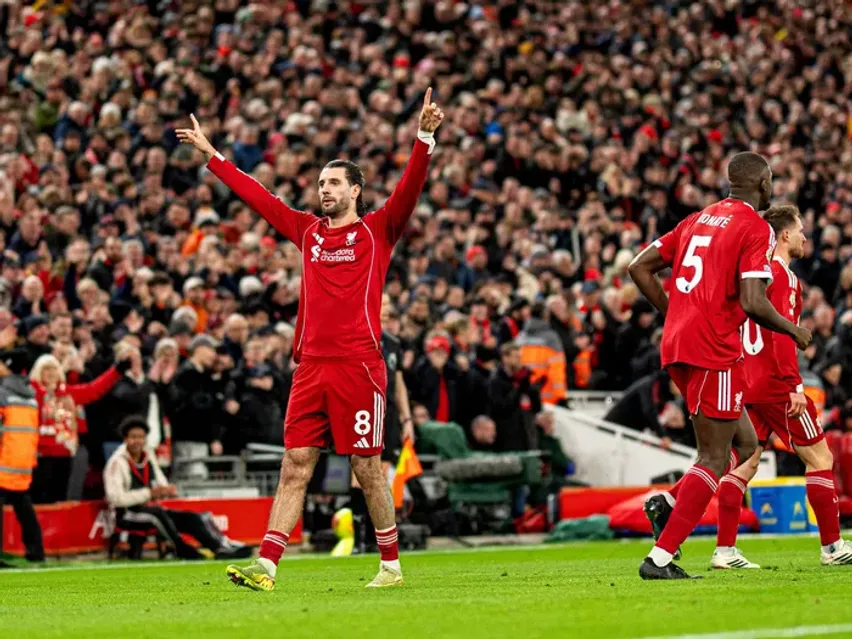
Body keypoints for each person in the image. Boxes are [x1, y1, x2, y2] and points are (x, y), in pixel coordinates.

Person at [177, 89, 444, 590]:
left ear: (355, 190)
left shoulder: (379, 230)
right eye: (321, 183)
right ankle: (267, 565)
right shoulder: (307, 232)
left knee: (367, 467)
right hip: (311, 368)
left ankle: (390, 565)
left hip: (359, 366)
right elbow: (260, 198)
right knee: (294, 464)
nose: (324, 190)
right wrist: (213, 156)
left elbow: (410, 189)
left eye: (334, 182)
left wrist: (423, 138)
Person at [628, 152, 813, 579]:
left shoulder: (697, 219)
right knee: (712, 457)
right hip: (713, 349)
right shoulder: (755, 228)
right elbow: (752, 301)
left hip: (678, 345)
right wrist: (793, 330)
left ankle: (668, 502)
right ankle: (660, 558)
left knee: (744, 445)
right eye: (771, 180)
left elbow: (639, 268)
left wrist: (675, 313)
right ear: (763, 184)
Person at [710, 205, 852, 569]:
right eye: (800, 230)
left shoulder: (752, 277)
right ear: (785, 235)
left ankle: (724, 550)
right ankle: (833, 547)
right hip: (776, 384)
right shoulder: (782, 276)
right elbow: (782, 336)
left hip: (747, 381)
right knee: (820, 458)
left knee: (745, 464)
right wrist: (794, 384)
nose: (805, 236)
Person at [104, 416, 250, 561]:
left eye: (141, 437)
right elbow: (116, 499)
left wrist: (167, 491)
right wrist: (149, 493)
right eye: (133, 437)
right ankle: (181, 548)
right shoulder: (117, 462)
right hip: (126, 514)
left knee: (191, 518)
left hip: (151, 508)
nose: (137, 441)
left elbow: (160, 482)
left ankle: (219, 547)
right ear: (125, 439)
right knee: (157, 515)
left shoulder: (148, 456)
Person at [0, 360, 44, 566]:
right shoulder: (30, 396)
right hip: (22, 462)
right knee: (23, 507)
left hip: (3, 461)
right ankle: (36, 552)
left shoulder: (3, 394)